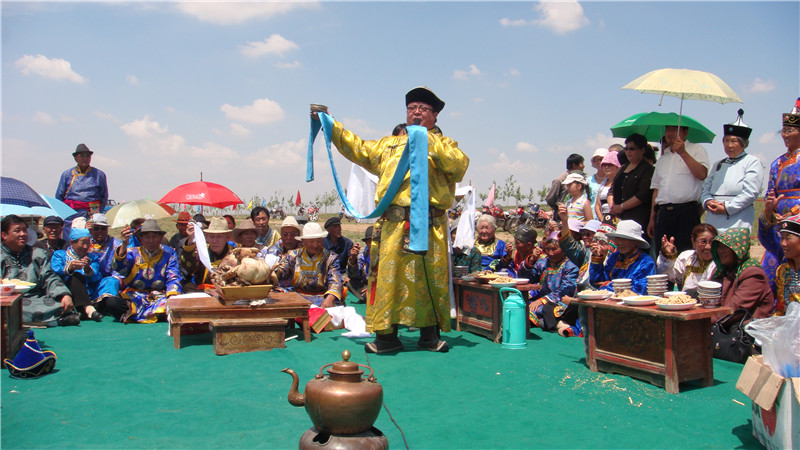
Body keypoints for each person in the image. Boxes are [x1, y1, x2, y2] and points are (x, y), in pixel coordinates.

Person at [315, 86, 469, 353]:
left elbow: (458, 166)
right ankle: (386, 337)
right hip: (393, 225)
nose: (416, 112)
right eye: (412, 108)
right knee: (388, 279)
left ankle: (429, 336)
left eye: (423, 109)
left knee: (429, 279)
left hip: (430, 227)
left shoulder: (445, 145)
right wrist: (329, 124)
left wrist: (427, 140)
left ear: (435, 115)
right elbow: (358, 148)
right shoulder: (390, 144)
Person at [1, 215, 75, 326]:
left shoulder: (37, 254)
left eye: (24, 230)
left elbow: (50, 276)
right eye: (17, 231)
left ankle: (30, 321)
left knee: (62, 304)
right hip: (7, 300)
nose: (22, 234)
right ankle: (53, 321)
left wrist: (64, 294)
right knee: (11, 308)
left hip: (37, 299)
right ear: (4, 235)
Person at [648, 125, 710, 253]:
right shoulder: (663, 158)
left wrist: (683, 152)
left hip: (686, 212)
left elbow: (702, 174)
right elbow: (656, 190)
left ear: (685, 132)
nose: (670, 133)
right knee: (664, 254)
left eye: (674, 129)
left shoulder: (696, 149)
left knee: (686, 253)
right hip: (664, 213)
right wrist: (652, 219)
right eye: (667, 129)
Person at [701, 110, 765, 232]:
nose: (729, 145)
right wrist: (708, 201)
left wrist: (726, 207)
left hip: (738, 220)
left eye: (734, 141)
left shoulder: (752, 162)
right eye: (726, 140)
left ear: (745, 143)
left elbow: (750, 193)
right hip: (713, 220)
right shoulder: (718, 164)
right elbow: (705, 188)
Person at [758, 106, 800, 292]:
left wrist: (792, 213)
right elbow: (770, 194)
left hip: (797, 222)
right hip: (779, 227)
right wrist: (771, 211)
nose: (785, 135)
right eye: (783, 130)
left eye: (790, 130)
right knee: (771, 270)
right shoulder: (777, 163)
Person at [113, 219, 182, 323]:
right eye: (147, 237)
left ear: (160, 238)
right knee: (112, 303)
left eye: (154, 237)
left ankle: (137, 315)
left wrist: (172, 297)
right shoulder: (132, 253)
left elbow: (173, 277)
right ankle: (153, 315)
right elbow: (118, 268)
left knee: (175, 304)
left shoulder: (169, 255)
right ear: (141, 239)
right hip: (135, 296)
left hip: (159, 297)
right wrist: (124, 245)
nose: (151, 241)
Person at [51, 227, 126, 322]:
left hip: (90, 292)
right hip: (70, 292)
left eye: (88, 242)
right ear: (72, 242)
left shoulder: (92, 257)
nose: (86, 246)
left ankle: (90, 307)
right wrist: (69, 268)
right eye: (83, 242)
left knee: (111, 280)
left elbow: (96, 278)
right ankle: (88, 308)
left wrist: (88, 269)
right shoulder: (60, 254)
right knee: (76, 276)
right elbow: (55, 271)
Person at [272, 222, 343, 307]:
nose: (315, 245)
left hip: (322, 297)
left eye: (319, 241)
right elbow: (281, 273)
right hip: (298, 297)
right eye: (312, 241)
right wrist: (271, 270)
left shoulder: (331, 258)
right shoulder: (293, 256)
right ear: (303, 241)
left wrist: (329, 299)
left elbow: (336, 281)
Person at [518, 239, 579, 336]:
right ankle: (545, 322)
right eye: (548, 249)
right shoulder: (543, 262)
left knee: (546, 309)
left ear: (564, 250)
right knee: (521, 305)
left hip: (560, 301)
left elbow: (565, 290)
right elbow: (527, 278)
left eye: (554, 249)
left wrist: (541, 301)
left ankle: (554, 324)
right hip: (541, 298)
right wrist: (532, 260)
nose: (550, 253)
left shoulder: (571, 266)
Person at [711, 228, 774, 319]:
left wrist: (704, 321)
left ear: (737, 249)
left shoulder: (753, 274)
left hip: (748, 327)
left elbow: (735, 309)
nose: (721, 251)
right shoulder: (721, 270)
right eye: (719, 247)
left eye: (725, 247)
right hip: (724, 322)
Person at [590, 220, 656, 294]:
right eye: (618, 238)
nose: (620, 243)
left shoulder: (646, 262)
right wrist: (597, 259)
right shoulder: (614, 257)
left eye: (624, 239)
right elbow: (597, 282)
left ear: (636, 242)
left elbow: (641, 289)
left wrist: (610, 285)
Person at [610, 134, 654, 233]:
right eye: (626, 148)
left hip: (637, 218)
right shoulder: (623, 168)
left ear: (642, 150)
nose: (628, 152)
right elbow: (613, 189)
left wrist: (621, 207)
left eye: (632, 149)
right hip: (618, 218)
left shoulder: (648, 169)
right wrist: (614, 206)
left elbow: (642, 194)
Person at [657, 224, 718, 295]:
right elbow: (671, 276)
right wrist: (668, 256)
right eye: (703, 242)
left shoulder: (720, 262)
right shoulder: (686, 258)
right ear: (693, 242)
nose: (708, 247)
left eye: (712, 242)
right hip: (686, 302)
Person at [54, 143, 109, 217]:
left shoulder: (99, 174)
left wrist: (98, 212)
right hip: (73, 211)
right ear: (75, 158)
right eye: (82, 156)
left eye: (87, 156)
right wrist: (65, 213)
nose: (85, 158)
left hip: (93, 211)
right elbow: (59, 196)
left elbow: (104, 196)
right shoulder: (67, 174)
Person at [181, 217, 233, 290]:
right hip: (203, 292)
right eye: (212, 237)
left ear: (227, 237)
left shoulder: (234, 254)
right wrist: (190, 240)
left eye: (219, 237)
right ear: (207, 238)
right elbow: (189, 268)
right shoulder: (201, 251)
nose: (215, 241)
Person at [774, 214, 800, 315]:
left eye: (788, 238)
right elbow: (780, 310)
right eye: (782, 238)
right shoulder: (783, 271)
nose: (784, 244)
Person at [87, 213, 121, 280]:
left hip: (109, 278)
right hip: (89, 276)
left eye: (103, 228)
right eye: (96, 228)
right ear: (91, 230)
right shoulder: (86, 242)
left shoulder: (116, 244)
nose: (100, 231)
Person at [346, 226, 373, 303]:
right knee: (350, 283)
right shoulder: (364, 255)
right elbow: (356, 275)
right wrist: (353, 258)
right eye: (369, 241)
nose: (372, 244)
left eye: (374, 241)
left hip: (380, 287)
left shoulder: (385, 255)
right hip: (366, 285)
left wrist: (372, 289)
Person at [595, 151, 621, 221]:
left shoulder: (621, 182)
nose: (606, 167)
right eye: (604, 165)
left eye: (610, 164)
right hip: (603, 220)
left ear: (617, 165)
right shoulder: (603, 184)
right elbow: (597, 205)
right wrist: (601, 219)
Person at [587, 147, 608, 215]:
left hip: (608, 216)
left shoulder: (611, 179)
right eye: (596, 160)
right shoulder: (589, 181)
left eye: (601, 159)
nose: (599, 162)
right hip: (591, 216)